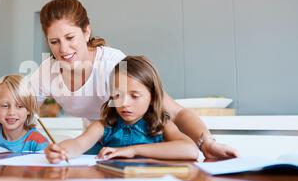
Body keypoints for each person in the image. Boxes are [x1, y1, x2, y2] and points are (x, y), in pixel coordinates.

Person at [28, 0, 238, 160]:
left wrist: (207, 143)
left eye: (70, 37)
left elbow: (177, 112)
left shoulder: (113, 64)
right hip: (101, 144)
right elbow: (21, 109)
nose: (63, 49)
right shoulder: (48, 71)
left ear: (86, 32)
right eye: (54, 41)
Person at [45, 56, 199, 163]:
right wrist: (61, 150)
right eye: (117, 95)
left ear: (152, 97)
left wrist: (133, 151)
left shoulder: (161, 125)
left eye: (134, 96)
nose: (124, 103)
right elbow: (78, 145)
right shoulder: (103, 126)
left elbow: (190, 150)